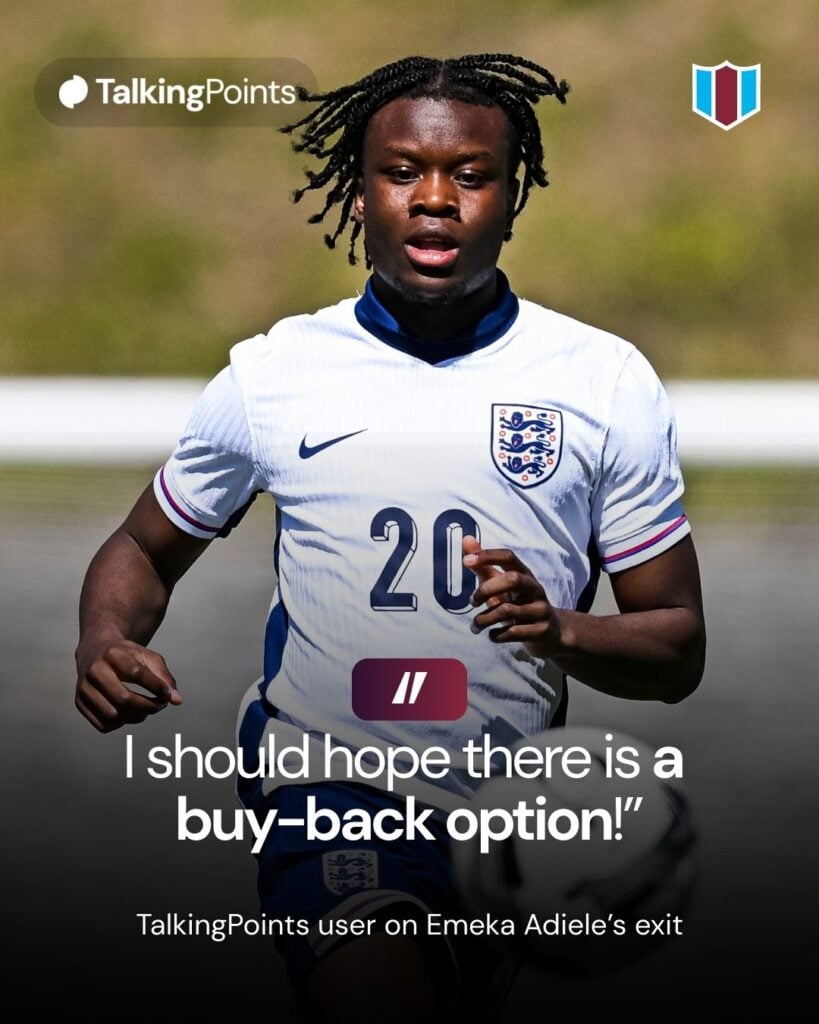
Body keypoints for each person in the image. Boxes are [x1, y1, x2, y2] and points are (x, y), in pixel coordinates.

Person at [74, 54, 705, 1023]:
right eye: (403, 171)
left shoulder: (604, 384)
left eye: (471, 174)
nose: (436, 199)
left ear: (514, 192)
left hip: (504, 821)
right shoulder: (274, 375)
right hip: (326, 786)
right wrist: (105, 636)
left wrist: (561, 631)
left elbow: (676, 644)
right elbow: (143, 548)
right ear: (359, 195)